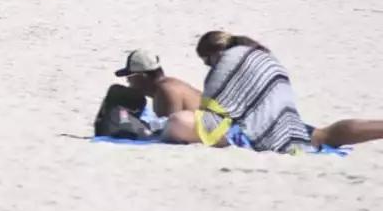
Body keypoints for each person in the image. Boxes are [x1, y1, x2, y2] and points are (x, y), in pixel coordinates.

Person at [164, 31, 383, 152]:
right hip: (286, 122)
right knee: (325, 135)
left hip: (258, 130)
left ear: (212, 53)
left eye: (206, 62)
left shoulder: (226, 62)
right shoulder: (261, 54)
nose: (208, 67)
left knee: (179, 122)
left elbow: (212, 110)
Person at [113, 49, 201, 119]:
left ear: (142, 76)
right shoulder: (169, 85)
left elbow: (169, 131)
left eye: (129, 76)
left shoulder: (166, 90)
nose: (127, 81)